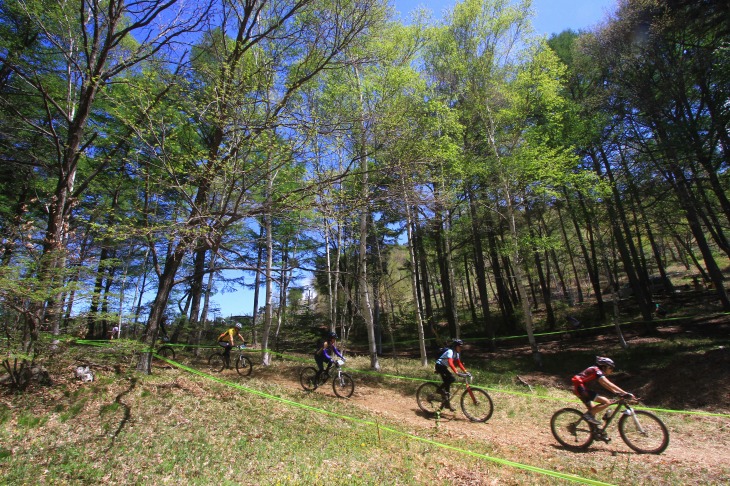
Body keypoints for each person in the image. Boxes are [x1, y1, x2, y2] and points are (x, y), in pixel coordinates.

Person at [572, 356, 634, 425]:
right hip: (581, 389)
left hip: (579, 389)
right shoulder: (597, 371)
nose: (611, 370)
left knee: (593, 410)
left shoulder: (596, 370)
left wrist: (616, 392)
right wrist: (625, 393)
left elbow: (604, 384)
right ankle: (588, 416)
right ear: (604, 367)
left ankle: (578, 426)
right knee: (606, 402)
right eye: (610, 368)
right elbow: (608, 383)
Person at [435, 339, 470, 411]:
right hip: (439, 366)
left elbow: (459, 363)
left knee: (447, 384)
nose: (461, 348)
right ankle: (439, 390)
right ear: (455, 346)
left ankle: (447, 403)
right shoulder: (450, 352)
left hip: (443, 367)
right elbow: (450, 363)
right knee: (452, 379)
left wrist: (466, 371)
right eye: (459, 347)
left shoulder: (456, 353)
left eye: (461, 347)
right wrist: (456, 372)